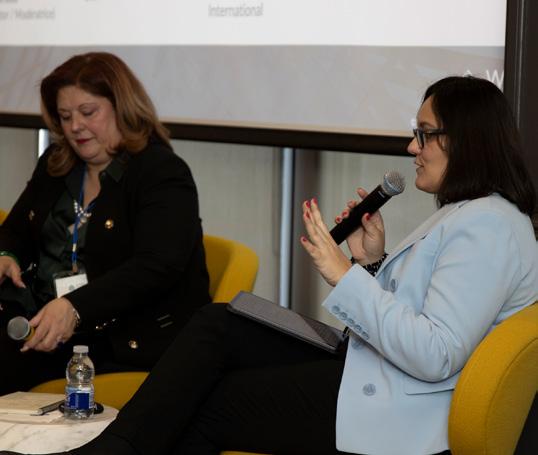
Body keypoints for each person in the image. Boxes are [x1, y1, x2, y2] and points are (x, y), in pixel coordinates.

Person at [4, 76, 537, 455]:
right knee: (219, 323)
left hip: (403, 406)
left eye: (423, 133)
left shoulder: (489, 225)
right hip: (374, 367)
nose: (411, 146)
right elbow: (419, 320)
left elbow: (436, 353)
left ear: (463, 140)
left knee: (208, 402)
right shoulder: (472, 214)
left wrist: (344, 274)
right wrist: (371, 264)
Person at [0, 52, 210, 394]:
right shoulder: (56, 164)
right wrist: (6, 254)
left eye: (88, 112)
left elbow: (156, 267)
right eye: (65, 116)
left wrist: (74, 307)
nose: (75, 126)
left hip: (121, 339)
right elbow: (15, 230)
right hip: (43, 326)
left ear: (122, 107)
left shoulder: (161, 172)